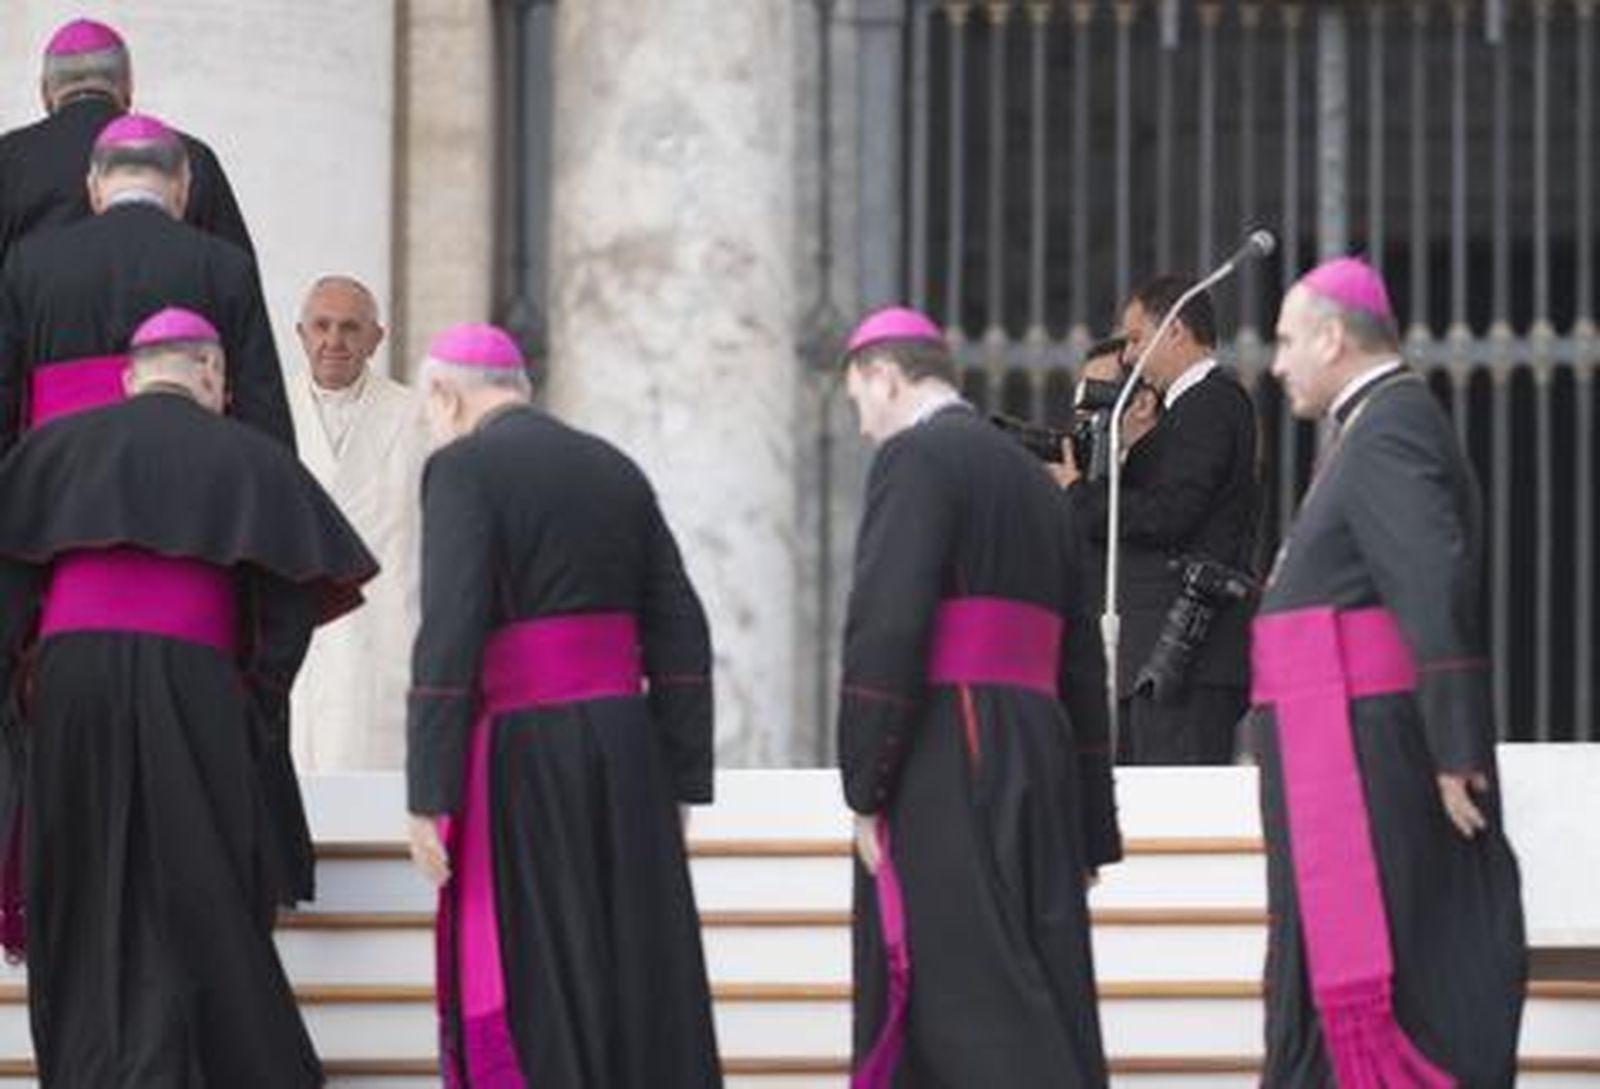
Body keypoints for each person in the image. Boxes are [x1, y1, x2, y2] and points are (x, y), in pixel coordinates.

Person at [0, 307, 377, 1088]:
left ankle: (89, 1067)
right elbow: (287, 608)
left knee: (80, 877)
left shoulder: (54, 447)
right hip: (194, 682)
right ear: (211, 373)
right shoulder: (252, 456)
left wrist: (25, 685)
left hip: (72, 684)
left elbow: (11, 585)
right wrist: (254, 694)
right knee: (203, 880)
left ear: (131, 377)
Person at [405, 323, 721, 1088]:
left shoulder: (462, 469)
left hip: (523, 757)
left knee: (542, 970)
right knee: (631, 965)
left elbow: (449, 630)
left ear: (445, 395)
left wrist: (428, 792)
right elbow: (682, 626)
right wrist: (679, 774)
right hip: (627, 749)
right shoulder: (614, 466)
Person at [1255, 258, 1526, 1086]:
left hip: (1368, 750)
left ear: (1333, 338)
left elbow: (1429, 583)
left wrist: (1455, 748)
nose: (1276, 363)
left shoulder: (1392, 426)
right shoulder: (1372, 424)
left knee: (1394, 961)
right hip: (1334, 737)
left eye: (1287, 341)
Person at [836, 307, 1120, 1088]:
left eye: (858, 399)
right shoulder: (1034, 481)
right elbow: (1080, 659)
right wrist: (1090, 825)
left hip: (951, 749)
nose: (861, 424)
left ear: (884, 378)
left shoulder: (914, 459)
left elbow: (888, 624)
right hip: (1039, 753)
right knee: (1035, 976)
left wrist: (864, 784)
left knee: (964, 1000)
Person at [0, 112, 292, 455]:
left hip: (65, 468)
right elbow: (263, 409)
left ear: (93, 186)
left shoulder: (29, 264)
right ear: (183, 186)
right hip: (189, 465)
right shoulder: (227, 267)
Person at [1055, 277, 1259, 764]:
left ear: (1175, 331)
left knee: (1176, 800)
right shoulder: (1188, 408)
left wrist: (1080, 494)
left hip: (1187, 654)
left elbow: (1171, 514)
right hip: (1163, 657)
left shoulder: (1209, 401)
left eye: (1135, 339)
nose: (1128, 356)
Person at [289, 275, 429, 771]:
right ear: (300, 334)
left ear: (376, 339)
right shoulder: (268, 414)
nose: (334, 341)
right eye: (322, 326)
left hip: (385, 636)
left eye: (350, 328)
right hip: (297, 640)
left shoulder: (419, 417)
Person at [0, 17, 254, 267]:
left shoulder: (8, 157)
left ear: (45, 91)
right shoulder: (189, 156)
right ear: (128, 85)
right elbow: (235, 273)